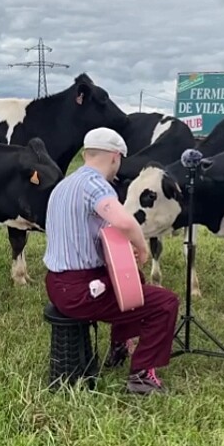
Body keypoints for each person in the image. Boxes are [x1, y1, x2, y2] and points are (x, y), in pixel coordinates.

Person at [43, 127, 180, 395]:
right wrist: (142, 247)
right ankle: (141, 375)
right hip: (81, 290)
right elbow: (125, 221)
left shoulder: (64, 185)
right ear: (116, 157)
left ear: (86, 154)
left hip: (57, 282)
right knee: (165, 303)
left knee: (133, 281)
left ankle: (119, 345)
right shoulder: (95, 184)